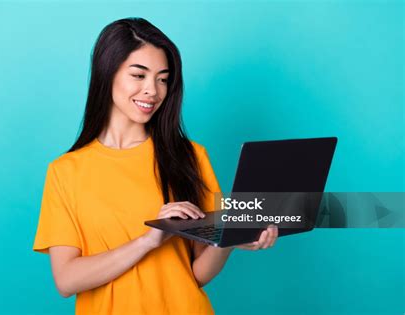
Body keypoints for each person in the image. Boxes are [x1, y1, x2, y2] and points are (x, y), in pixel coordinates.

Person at [33, 17, 278, 315]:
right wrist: (149, 240)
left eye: (162, 79)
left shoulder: (190, 156)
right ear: (107, 73)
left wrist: (228, 239)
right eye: (139, 75)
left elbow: (197, 274)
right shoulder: (65, 172)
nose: (153, 90)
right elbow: (67, 280)